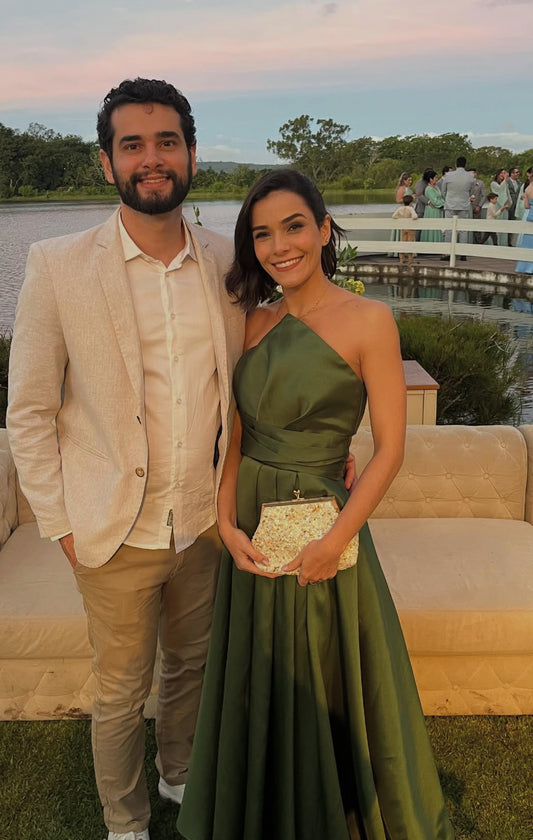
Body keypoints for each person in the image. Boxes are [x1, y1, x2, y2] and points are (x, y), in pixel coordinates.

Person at [177, 170, 455, 840]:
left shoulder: (369, 321)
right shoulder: (253, 322)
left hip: (324, 522)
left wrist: (337, 539)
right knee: (258, 667)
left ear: (324, 230)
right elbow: (237, 436)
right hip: (251, 521)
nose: (279, 246)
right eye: (262, 234)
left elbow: (390, 449)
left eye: (294, 226)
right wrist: (224, 521)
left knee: (322, 665)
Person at [6, 77, 245, 840]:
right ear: (106, 162)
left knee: (190, 667)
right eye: (132, 145)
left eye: (167, 142)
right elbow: (29, 411)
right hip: (110, 528)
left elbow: (254, 383)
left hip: (204, 522)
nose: (152, 159)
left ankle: (178, 774)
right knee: (118, 690)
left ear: (192, 155)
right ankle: (124, 822)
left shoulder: (228, 263)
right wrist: (61, 523)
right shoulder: (58, 265)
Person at [441, 156, 475, 260]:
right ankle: (463, 253)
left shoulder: (448, 175)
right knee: (463, 229)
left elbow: (443, 191)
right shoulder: (470, 176)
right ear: (465, 165)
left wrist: (448, 199)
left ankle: (447, 253)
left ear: (456, 164)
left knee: (449, 228)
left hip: (450, 204)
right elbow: (472, 191)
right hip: (464, 204)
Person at [420, 169, 445, 245]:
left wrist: (444, 203)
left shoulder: (436, 187)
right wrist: (443, 204)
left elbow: (441, 198)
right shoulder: (429, 189)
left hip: (438, 210)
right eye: (435, 177)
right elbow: (434, 201)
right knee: (433, 226)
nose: (437, 179)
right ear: (430, 179)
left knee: (439, 227)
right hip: (432, 210)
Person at [392, 193, 418, 262]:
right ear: (411, 202)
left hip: (403, 228)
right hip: (410, 228)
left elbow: (394, 216)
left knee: (403, 242)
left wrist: (400, 218)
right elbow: (415, 216)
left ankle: (402, 258)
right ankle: (410, 259)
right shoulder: (410, 208)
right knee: (410, 243)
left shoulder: (400, 208)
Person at [515, 179, 533, 274]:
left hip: (530, 216)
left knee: (527, 242)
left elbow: (526, 206)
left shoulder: (528, 188)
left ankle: (524, 267)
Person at [490, 168, 511, 245]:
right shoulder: (493, 183)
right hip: (497, 206)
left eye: (505, 173)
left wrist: (509, 203)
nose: (503, 175)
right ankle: (495, 243)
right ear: (498, 174)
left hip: (504, 207)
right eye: (502, 173)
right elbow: (499, 191)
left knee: (504, 226)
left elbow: (507, 194)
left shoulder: (505, 184)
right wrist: (505, 180)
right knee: (497, 226)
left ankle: (503, 244)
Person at [468, 168, 487, 244]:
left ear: (476, 174)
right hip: (467, 207)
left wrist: (479, 206)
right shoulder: (466, 183)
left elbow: (484, 195)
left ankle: (478, 242)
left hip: (476, 207)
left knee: (477, 225)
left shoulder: (480, 183)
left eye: (472, 173)